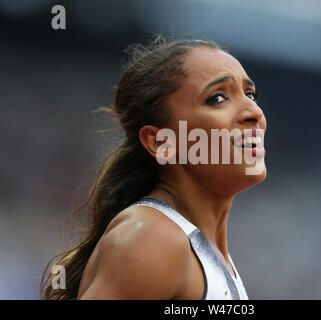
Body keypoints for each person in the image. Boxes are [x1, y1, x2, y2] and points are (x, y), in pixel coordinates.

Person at [41, 35, 267, 300]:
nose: (254, 112)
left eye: (250, 94)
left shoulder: (201, 250)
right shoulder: (153, 238)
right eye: (217, 98)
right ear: (161, 142)